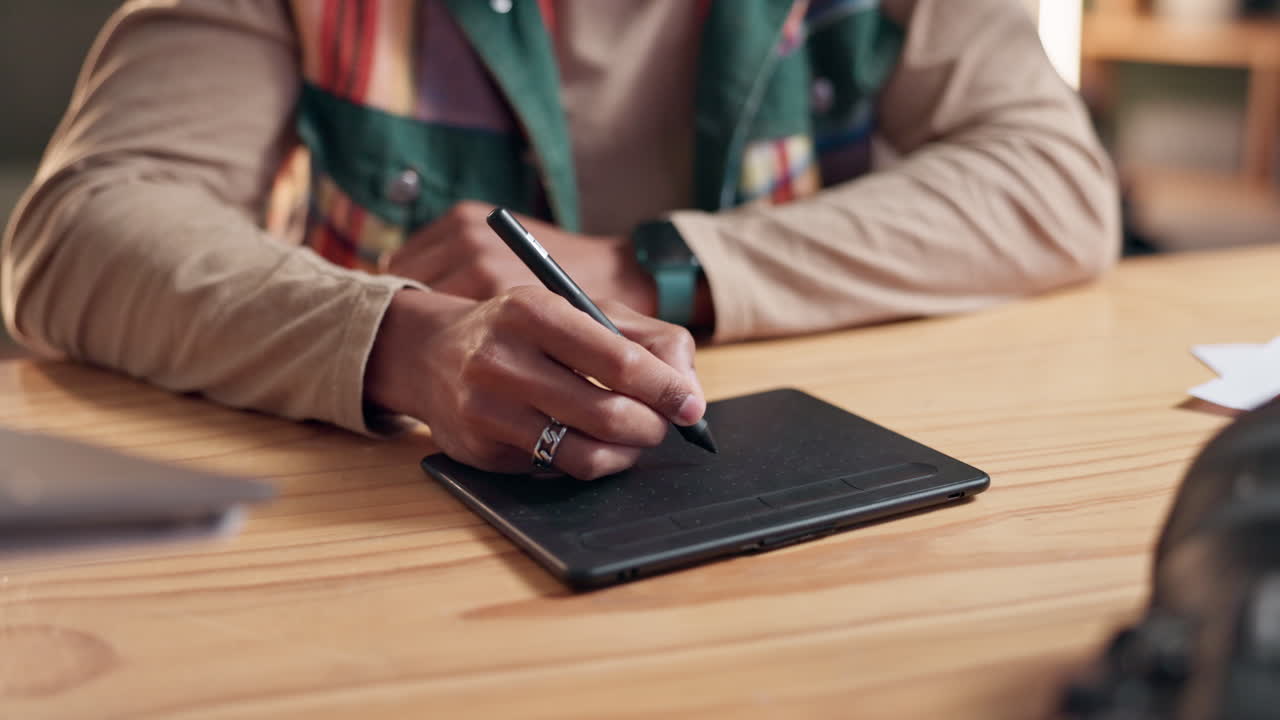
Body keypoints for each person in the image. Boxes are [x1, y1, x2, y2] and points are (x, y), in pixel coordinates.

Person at [0, 0, 1119, 480]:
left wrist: (648, 266)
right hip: (386, 515)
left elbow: (1055, 184)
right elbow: (76, 230)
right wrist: (402, 341)